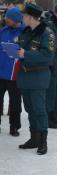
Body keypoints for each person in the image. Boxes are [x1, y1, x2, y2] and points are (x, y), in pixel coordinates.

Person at [17, 3, 55, 155]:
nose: (23, 18)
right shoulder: (26, 32)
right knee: (29, 109)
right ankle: (34, 138)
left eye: (24, 15)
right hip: (25, 76)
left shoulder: (47, 34)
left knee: (39, 110)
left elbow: (48, 56)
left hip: (39, 76)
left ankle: (43, 141)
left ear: (31, 17)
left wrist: (26, 54)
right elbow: (20, 48)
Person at [0, 7, 25, 136]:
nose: (5, 19)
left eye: (8, 18)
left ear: (15, 20)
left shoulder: (25, 32)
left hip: (15, 74)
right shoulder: (3, 31)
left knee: (15, 103)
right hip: (1, 72)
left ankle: (14, 126)